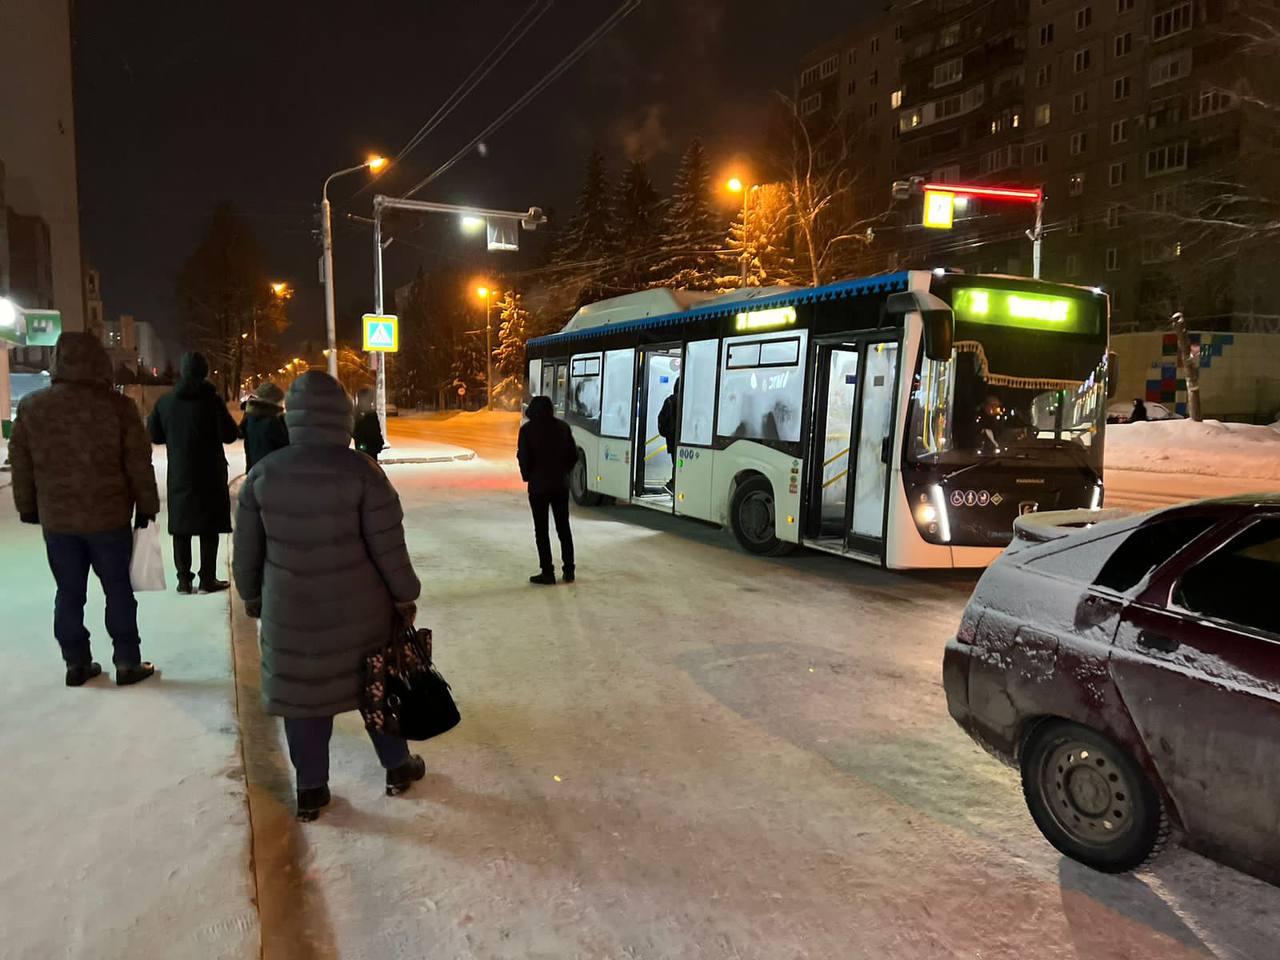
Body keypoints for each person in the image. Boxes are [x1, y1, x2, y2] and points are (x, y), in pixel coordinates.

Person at [233, 371, 424, 821]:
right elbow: (389, 547)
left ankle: (311, 790)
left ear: (291, 417)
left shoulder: (264, 474)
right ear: (342, 416)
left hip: (290, 614)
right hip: (363, 613)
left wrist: (252, 596)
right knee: (377, 690)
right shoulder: (363, 472)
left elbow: (246, 552)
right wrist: (405, 596)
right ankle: (398, 767)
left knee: (303, 701)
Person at [8, 333, 161, 686]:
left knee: (69, 591)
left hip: (59, 519)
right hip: (109, 517)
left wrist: (28, 507)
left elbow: (22, 462)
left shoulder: (33, 406)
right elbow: (138, 461)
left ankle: (76, 663)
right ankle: (127, 661)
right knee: (118, 589)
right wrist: (147, 506)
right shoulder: (118, 407)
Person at [148, 352, 239, 594]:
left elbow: (155, 435)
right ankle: (207, 579)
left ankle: (184, 580)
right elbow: (230, 434)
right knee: (209, 527)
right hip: (210, 472)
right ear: (204, 372)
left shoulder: (165, 402)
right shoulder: (212, 401)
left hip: (180, 471)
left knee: (182, 525)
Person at [517, 395, 577, 585]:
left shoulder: (527, 430)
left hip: (538, 488)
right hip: (560, 485)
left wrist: (528, 476)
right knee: (564, 528)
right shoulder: (563, 427)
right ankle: (569, 571)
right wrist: (564, 473)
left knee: (541, 530)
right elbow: (573, 455)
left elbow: (524, 457)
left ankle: (547, 573)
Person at [240, 381, 289, 472]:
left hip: (254, 470)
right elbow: (285, 448)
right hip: (272, 472)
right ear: (273, 401)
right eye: (279, 401)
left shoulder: (250, 417)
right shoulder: (273, 421)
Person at [657, 377, 681, 493]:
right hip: (684, 440)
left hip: (672, 440)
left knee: (676, 463)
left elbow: (661, 418)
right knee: (680, 465)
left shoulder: (670, 400)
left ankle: (673, 485)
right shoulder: (687, 400)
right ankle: (673, 485)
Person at [352, 388, 385, 460]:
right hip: (363, 449)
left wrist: (379, 442)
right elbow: (354, 431)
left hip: (371, 448)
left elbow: (376, 429)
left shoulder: (371, 413)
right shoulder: (357, 413)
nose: (370, 401)